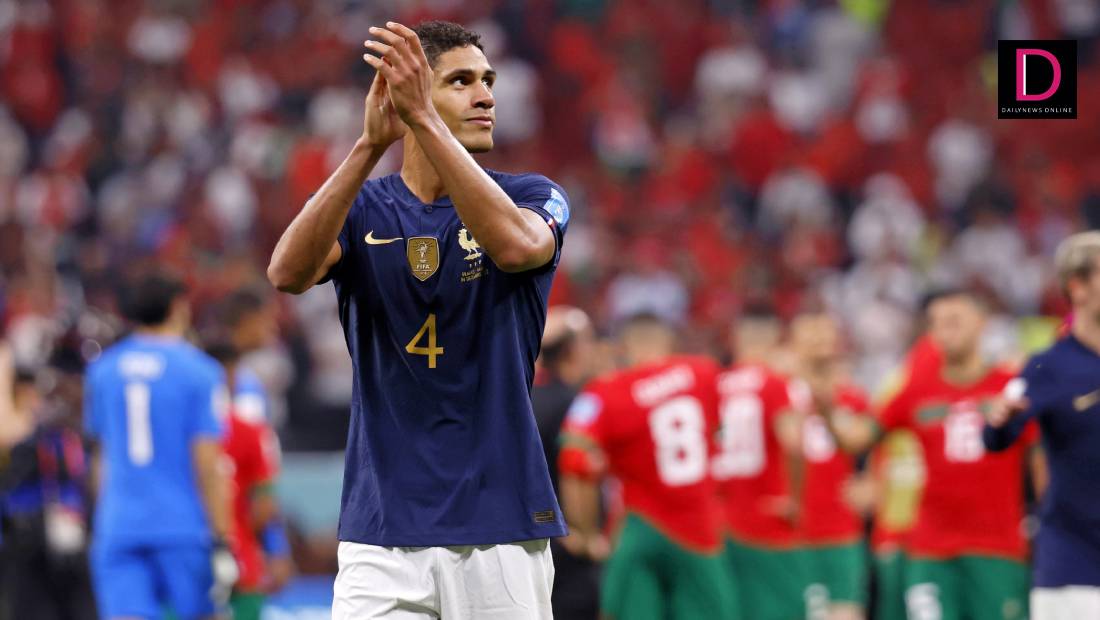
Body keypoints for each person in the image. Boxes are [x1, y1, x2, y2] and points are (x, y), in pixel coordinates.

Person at [267, 20, 570, 619]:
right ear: (407, 95)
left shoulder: (533, 195)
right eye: (461, 81)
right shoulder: (362, 208)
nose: (486, 96)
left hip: (501, 527)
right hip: (381, 532)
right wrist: (367, 146)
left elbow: (518, 248)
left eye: (488, 81)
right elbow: (287, 272)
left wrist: (424, 119)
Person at [827, 290, 1036, 620]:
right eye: (935, 324)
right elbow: (858, 439)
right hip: (931, 550)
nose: (943, 333)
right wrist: (824, 405)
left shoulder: (1011, 387)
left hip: (997, 550)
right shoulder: (916, 390)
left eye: (954, 322)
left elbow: (1041, 457)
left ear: (981, 324)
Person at [558, 313, 736, 620]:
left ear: (623, 347)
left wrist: (585, 533)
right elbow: (721, 434)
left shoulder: (605, 391)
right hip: (699, 527)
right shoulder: (703, 372)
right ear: (669, 342)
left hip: (640, 526)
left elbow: (573, 458)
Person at [84, 271, 237, 620]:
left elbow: (100, 458)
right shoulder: (200, 371)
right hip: (181, 526)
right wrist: (222, 535)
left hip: (119, 524)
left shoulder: (104, 371)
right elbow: (207, 461)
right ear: (178, 307)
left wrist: (103, 518)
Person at [984, 232, 1100, 619]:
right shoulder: (1046, 365)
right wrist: (1001, 418)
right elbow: (996, 436)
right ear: (1077, 287)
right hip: (1074, 562)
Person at [714, 307, 806, 620]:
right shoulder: (774, 384)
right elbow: (794, 443)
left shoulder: (715, 384)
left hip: (721, 522)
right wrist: (794, 498)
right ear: (776, 339)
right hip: (767, 519)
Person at [788, 312, 870, 620]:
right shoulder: (779, 396)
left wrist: (872, 481)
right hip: (791, 534)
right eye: (810, 336)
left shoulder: (854, 399)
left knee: (845, 612)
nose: (819, 343)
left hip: (840, 531)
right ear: (793, 343)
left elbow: (877, 445)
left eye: (825, 336)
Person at [218, 287, 294, 596]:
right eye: (266, 319)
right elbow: (258, 477)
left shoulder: (245, 381)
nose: (273, 328)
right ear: (246, 320)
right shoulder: (245, 389)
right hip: (230, 532)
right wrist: (276, 547)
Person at [532, 305, 600, 620]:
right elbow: (576, 470)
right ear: (573, 350)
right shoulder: (576, 403)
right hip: (568, 544)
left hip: (531, 537)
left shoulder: (524, 397)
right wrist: (584, 535)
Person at [205, 340, 281, 620]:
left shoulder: (176, 433)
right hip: (241, 560)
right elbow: (264, 505)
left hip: (185, 556)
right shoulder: (250, 431)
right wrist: (275, 549)